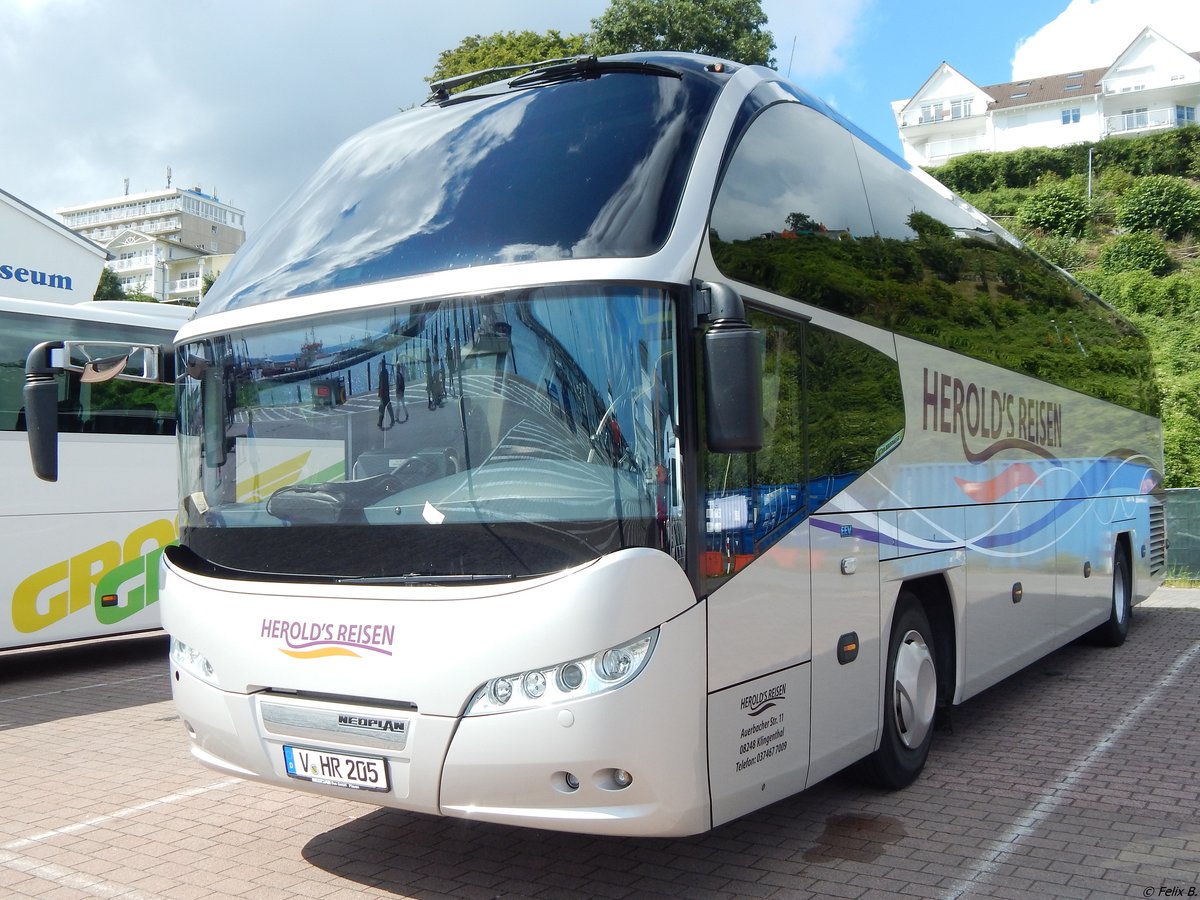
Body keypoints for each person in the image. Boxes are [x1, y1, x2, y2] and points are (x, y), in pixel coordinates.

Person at [377, 359, 395, 429]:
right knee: (388, 406)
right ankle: (392, 419)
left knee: (382, 408)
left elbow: (381, 384)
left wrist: (380, 393)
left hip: (383, 393)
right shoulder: (386, 372)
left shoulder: (382, 373)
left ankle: (380, 423)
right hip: (386, 392)